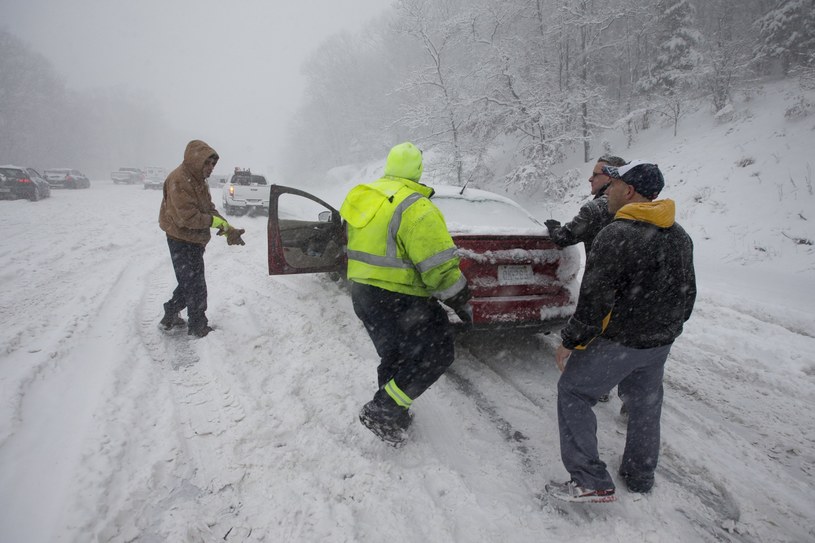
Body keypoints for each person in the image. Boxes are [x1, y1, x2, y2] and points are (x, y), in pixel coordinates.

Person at [544, 161, 696, 503]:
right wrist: (668, 330)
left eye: (612, 186)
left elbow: (595, 299)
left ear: (629, 191)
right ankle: (640, 473)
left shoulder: (617, 233)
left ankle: (590, 479)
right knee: (645, 403)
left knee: (574, 392)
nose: (606, 192)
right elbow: (687, 294)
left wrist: (570, 340)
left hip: (619, 341)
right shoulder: (679, 234)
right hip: (658, 343)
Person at [340, 142, 472, 447]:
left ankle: (392, 415)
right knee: (438, 354)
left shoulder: (367, 198)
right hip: (400, 298)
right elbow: (438, 269)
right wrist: (460, 297)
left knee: (395, 354)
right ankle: (383, 409)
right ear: (418, 170)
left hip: (363, 294)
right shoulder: (415, 207)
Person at [544, 154, 627, 403]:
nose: (590, 178)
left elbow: (565, 236)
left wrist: (552, 227)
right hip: (637, 290)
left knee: (599, 337)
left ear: (611, 178)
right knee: (629, 342)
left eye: (596, 174)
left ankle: (596, 387)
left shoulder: (596, 209)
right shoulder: (641, 206)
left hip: (604, 288)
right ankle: (633, 400)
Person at [158, 139, 245, 338]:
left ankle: (170, 313)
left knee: (189, 281)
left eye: (213, 164)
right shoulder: (179, 180)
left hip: (194, 239)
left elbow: (209, 209)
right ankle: (198, 326)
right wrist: (216, 224)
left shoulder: (197, 180)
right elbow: (188, 217)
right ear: (196, 161)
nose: (211, 168)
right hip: (180, 239)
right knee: (195, 284)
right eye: (208, 163)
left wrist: (228, 228)